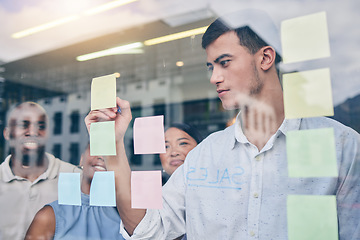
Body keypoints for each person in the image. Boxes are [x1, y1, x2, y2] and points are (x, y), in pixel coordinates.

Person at [85, 9, 360, 240]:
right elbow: (147, 228)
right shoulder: (204, 155)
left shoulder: (341, 146)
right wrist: (113, 144)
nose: (214, 77)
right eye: (210, 67)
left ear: (265, 58)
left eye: (224, 63)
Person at [0, 101, 81, 240]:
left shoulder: (73, 176)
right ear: (7, 133)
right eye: (23, 125)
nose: (33, 132)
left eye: (41, 126)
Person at [25, 144, 126, 240]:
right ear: (82, 159)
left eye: (110, 153)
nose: (101, 157)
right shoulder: (49, 216)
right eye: (95, 149)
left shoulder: (127, 215)